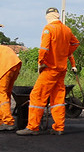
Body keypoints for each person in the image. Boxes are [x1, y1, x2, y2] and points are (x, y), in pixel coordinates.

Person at [17, 7, 79, 136]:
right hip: (61, 69)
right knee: (58, 98)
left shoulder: (48, 29)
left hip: (50, 68)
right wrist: (64, 54)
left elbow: (44, 49)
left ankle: (33, 127)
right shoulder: (67, 30)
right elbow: (75, 43)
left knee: (37, 95)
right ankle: (59, 127)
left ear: (48, 17)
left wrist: (41, 63)